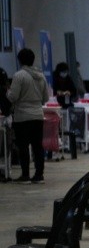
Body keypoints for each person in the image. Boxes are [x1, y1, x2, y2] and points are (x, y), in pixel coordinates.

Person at [7, 48, 48, 184]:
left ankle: (25, 175)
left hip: (23, 116)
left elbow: (13, 97)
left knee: (23, 145)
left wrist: (7, 92)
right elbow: (46, 97)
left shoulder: (19, 75)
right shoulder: (41, 76)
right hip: (38, 114)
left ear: (19, 60)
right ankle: (39, 175)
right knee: (38, 146)